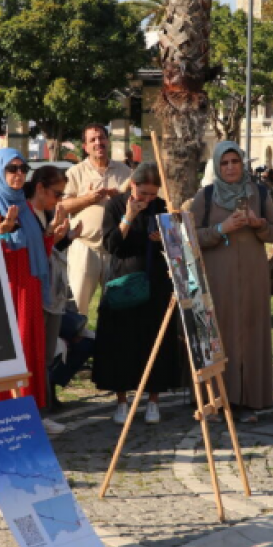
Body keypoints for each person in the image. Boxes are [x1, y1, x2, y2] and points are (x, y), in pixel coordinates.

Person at [188, 142, 273, 422]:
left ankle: (249, 401)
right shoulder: (205, 197)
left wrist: (259, 225)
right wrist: (221, 229)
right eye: (224, 163)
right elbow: (191, 237)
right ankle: (216, 402)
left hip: (253, 277)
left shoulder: (259, 193)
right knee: (221, 336)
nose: (230, 167)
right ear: (216, 166)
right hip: (217, 278)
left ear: (243, 165)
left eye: (235, 162)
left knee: (251, 335)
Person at [0, 151, 67, 433]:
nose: (18, 173)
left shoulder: (24, 207)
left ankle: (31, 413)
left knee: (30, 352)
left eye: (23, 168)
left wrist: (51, 234)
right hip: (4, 291)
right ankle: (4, 415)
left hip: (30, 288)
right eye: (11, 168)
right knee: (8, 353)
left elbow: (35, 251)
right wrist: (1, 233)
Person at [92, 163, 180, 424]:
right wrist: (128, 217)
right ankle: (122, 401)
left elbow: (175, 242)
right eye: (143, 193)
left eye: (152, 194)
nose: (148, 199)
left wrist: (164, 236)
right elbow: (111, 245)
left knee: (155, 342)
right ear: (132, 185)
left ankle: (153, 401)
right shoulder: (115, 205)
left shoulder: (161, 206)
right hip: (124, 280)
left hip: (155, 281)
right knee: (122, 343)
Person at [60, 124, 133, 314]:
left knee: (117, 309)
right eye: (92, 140)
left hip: (115, 248)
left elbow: (136, 200)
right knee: (78, 307)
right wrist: (89, 198)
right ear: (85, 147)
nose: (98, 143)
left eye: (101, 138)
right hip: (85, 248)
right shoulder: (75, 172)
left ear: (107, 141)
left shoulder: (124, 171)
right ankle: (76, 343)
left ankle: (110, 344)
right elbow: (63, 206)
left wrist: (119, 196)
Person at [26, 166, 79, 413]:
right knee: (37, 354)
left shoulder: (44, 213)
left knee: (47, 354)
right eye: (57, 194)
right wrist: (55, 236)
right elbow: (36, 253)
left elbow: (48, 248)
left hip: (52, 292)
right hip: (35, 293)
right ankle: (40, 407)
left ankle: (46, 403)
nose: (59, 200)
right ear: (40, 188)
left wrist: (62, 237)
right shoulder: (27, 213)